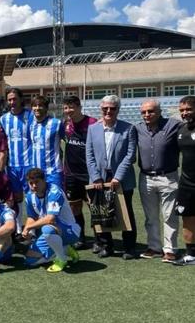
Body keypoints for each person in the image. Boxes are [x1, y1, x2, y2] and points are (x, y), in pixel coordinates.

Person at [86, 95, 138, 259]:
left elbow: (130, 155)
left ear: (118, 109)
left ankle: (129, 247)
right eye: (105, 108)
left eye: (113, 108)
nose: (108, 111)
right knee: (101, 212)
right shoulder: (92, 128)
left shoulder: (128, 128)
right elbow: (89, 155)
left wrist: (118, 177)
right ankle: (106, 245)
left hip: (121, 179)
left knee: (125, 212)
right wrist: (95, 177)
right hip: (99, 178)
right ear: (100, 109)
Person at [134, 99, 181, 262]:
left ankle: (170, 249)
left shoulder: (173, 125)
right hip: (146, 178)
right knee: (151, 216)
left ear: (159, 112)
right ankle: (154, 247)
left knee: (169, 215)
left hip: (168, 177)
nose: (147, 115)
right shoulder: (138, 128)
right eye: (144, 112)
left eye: (151, 111)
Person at [22, 168, 81, 272]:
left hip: (71, 231)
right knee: (30, 260)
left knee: (47, 229)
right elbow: (31, 217)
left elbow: (50, 219)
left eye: (37, 182)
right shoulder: (29, 196)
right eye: (31, 183)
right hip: (51, 231)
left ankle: (61, 259)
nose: (34, 186)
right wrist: (27, 230)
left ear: (44, 180)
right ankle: (65, 249)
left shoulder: (54, 191)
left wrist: (30, 227)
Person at [62, 95, 97, 250]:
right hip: (70, 174)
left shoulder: (92, 123)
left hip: (89, 174)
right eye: (65, 108)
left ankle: (99, 240)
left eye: (71, 107)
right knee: (75, 208)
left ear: (79, 107)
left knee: (94, 208)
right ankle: (80, 238)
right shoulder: (66, 125)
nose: (68, 111)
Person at [0, 87, 33, 234]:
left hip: (29, 164)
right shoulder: (4, 119)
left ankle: (31, 228)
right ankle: (19, 227)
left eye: (14, 99)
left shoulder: (31, 116)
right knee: (17, 197)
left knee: (31, 197)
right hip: (12, 166)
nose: (12, 102)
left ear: (21, 99)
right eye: (10, 99)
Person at [175, 96, 195, 265]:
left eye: (188, 109)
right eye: (182, 110)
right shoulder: (181, 130)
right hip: (187, 183)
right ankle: (190, 254)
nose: (185, 113)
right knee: (187, 218)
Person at [28, 95, 64, 188]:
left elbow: (67, 141)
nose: (37, 108)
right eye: (35, 106)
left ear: (46, 108)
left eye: (40, 105)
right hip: (37, 173)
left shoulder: (56, 123)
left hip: (53, 171)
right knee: (40, 200)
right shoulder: (31, 124)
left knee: (56, 200)